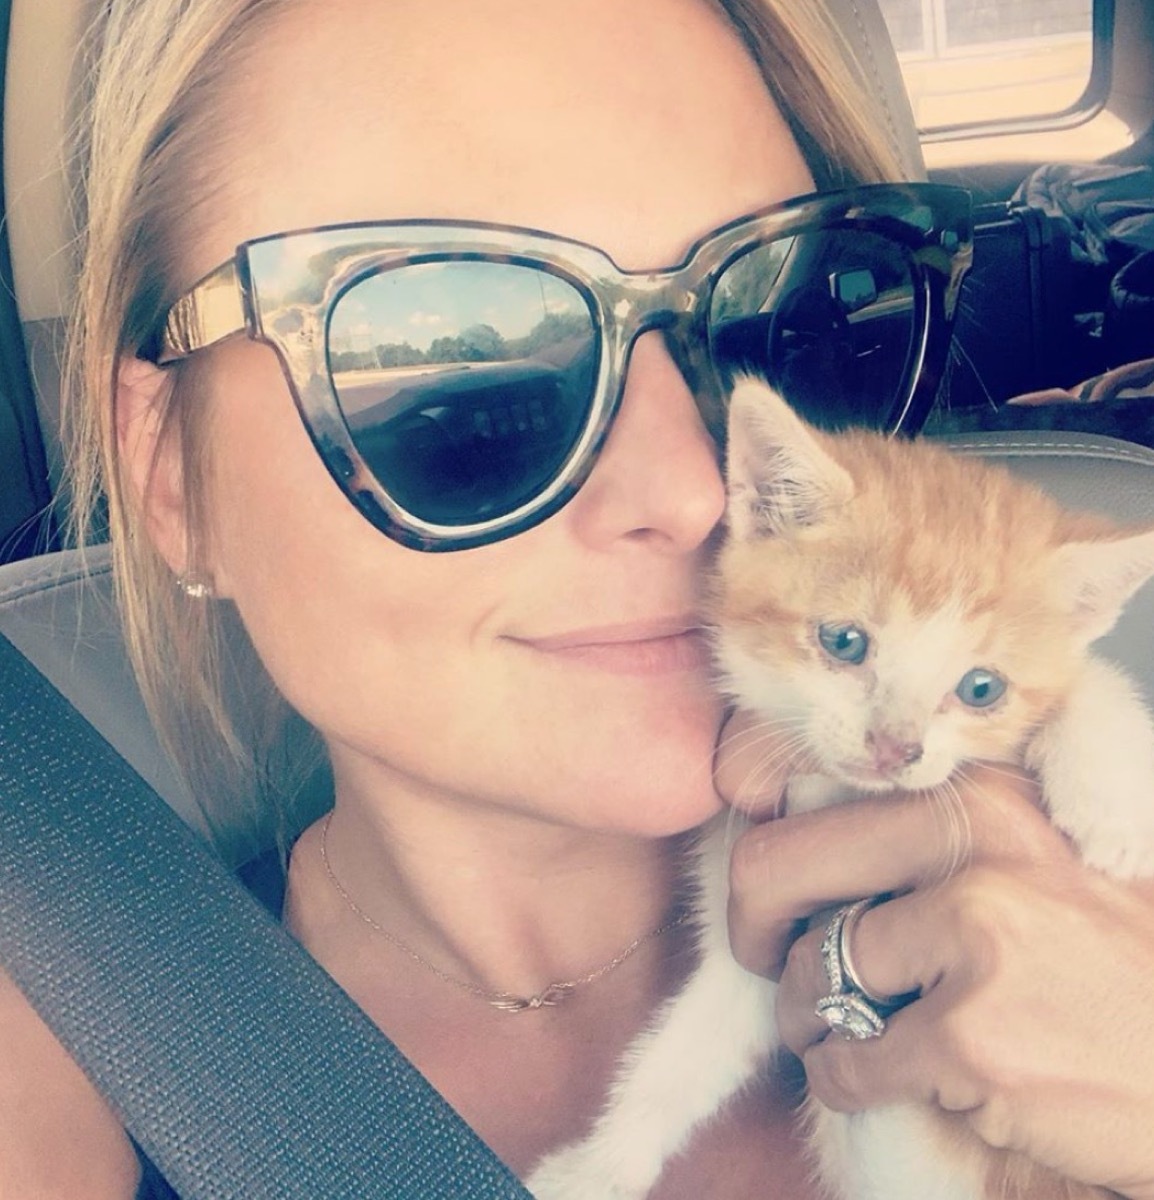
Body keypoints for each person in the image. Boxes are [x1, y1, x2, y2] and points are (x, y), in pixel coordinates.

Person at [2, 0, 1154, 1196]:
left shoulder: (1109, 848)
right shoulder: (73, 1047)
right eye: (462, 359)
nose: (696, 489)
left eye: (775, 318)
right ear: (170, 471)